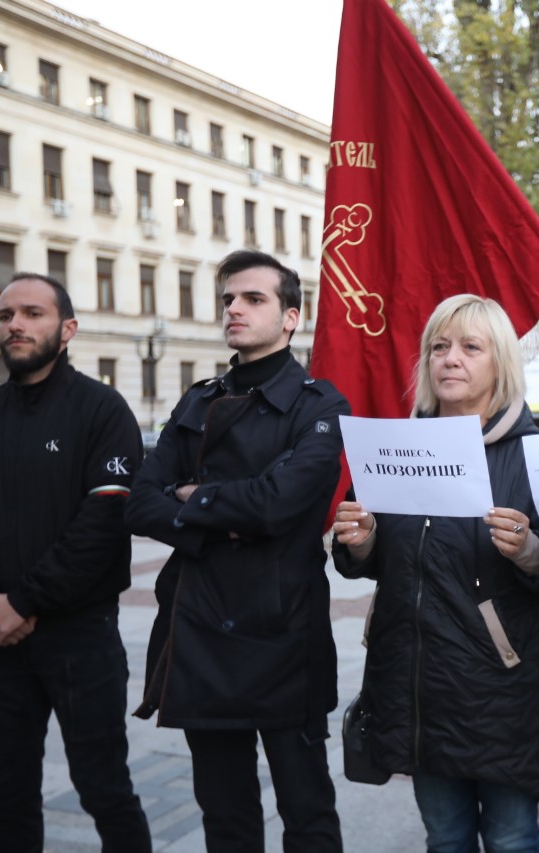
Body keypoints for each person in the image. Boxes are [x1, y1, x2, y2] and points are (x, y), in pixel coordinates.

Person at [331, 294, 539, 853]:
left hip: (500, 692)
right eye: (439, 347)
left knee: (511, 838)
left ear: (501, 362)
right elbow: (373, 557)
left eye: (470, 347)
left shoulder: (534, 455)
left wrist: (529, 551)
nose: (450, 359)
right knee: (445, 839)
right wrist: (358, 540)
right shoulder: (395, 448)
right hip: (418, 689)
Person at [125, 250, 349, 853]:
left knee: (308, 814)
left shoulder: (321, 406)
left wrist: (191, 499)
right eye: (229, 298)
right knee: (224, 819)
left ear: (292, 317)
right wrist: (218, 516)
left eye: (253, 299)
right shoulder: (198, 399)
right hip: (199, 631)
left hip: (284, 631)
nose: (234, 308)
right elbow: (140, 502)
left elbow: (279, 503)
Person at [0, 273, 153, 852]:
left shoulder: (102, 410)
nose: (16, 325)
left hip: (82, 640)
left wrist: (24, 602)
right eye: (6, 315)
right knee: (4, 796)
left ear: (68, 328)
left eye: (32, 313)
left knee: (105, 789)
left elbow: (101, 528)